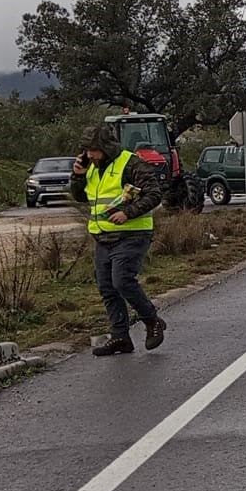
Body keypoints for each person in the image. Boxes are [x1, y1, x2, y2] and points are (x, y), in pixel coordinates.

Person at [70, 123, 167, 356]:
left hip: (132, 233)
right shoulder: (91, 167)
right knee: (107, 288)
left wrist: (128, 212)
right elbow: (80, 196)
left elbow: (154, 194)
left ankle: (152, 321)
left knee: (122, 281)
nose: (89, 155)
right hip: (103, 236)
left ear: (105, 146)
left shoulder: (131, 163)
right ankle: (121, 337)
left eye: (93, 150)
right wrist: (77, 176)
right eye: (86, 150)